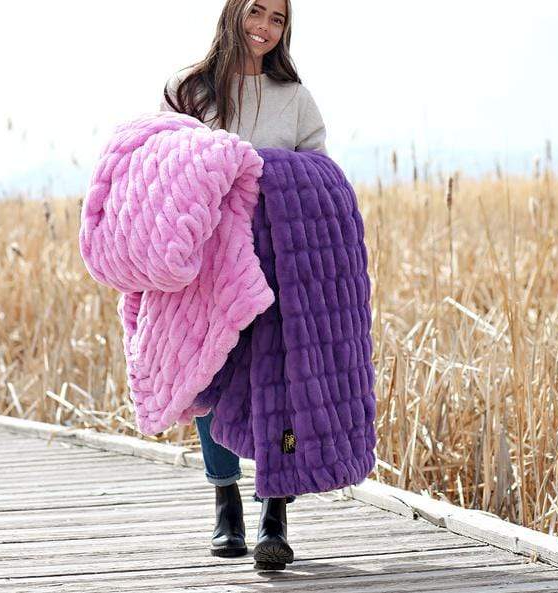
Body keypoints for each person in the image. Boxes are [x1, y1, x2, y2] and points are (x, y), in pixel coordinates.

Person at [158, 0, 327, 571]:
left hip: (279, 262)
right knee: (211, 380)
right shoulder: (190, 90)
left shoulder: (295, 98)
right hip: (207, 267)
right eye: (257, 11)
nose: (265, 27)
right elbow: (159, 169)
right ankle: (225, 501)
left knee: (280, 384)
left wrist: (264, 172)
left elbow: (320, 176)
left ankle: (275, 512)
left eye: (278, 19)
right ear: (234, 12)